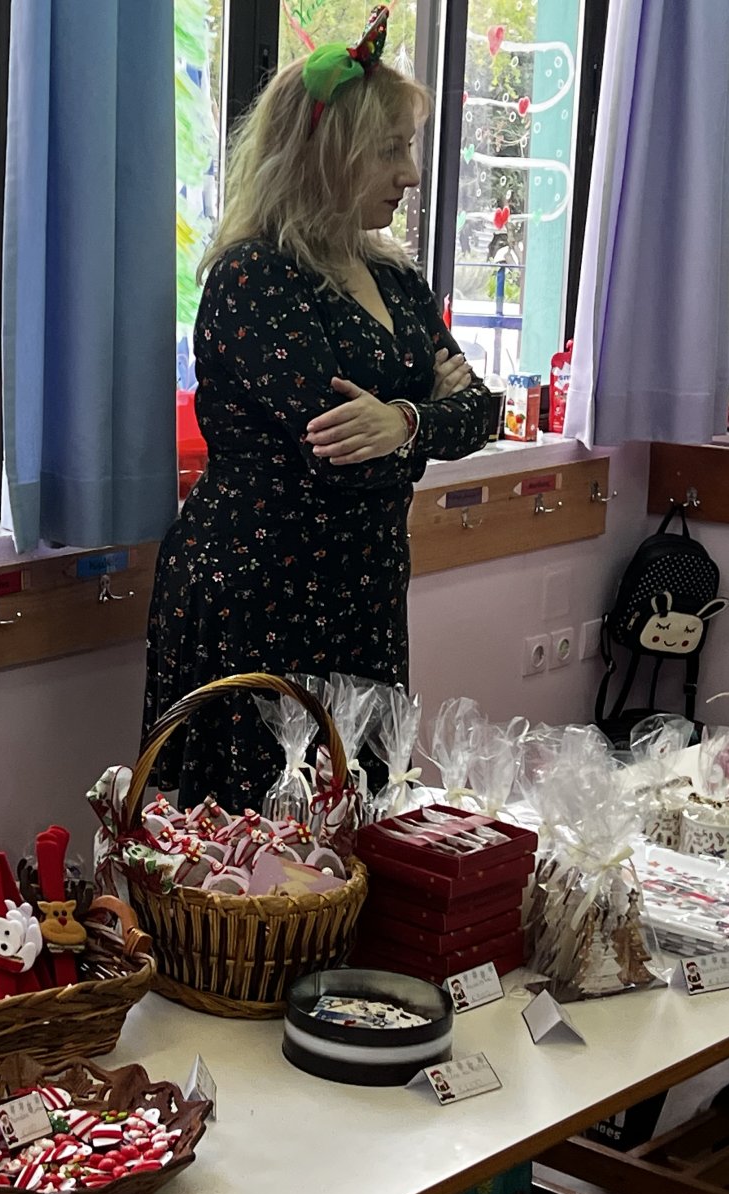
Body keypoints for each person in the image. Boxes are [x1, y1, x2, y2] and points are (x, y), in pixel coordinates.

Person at [143, 8, 491, 811]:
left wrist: (404, 422)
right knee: (252, 846)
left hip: (364, 596)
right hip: (259, 598)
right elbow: (340, 455)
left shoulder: (395, 277)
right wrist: (424, 409)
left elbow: (483, 411)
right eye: (392, 150)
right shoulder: (253, 278)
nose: (412, 175)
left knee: (354, 826)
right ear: (328, 155)